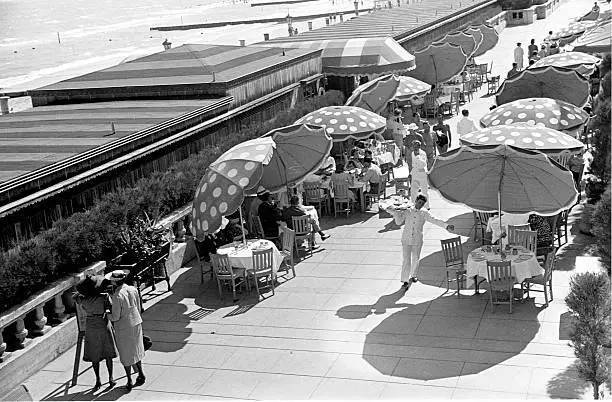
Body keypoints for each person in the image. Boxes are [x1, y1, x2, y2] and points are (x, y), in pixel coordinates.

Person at [390, 194, 454, 286]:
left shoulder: (424, 213)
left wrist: (446, 226)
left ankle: (413, 275)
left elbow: (434, 220)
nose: (420, 205)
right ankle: (405, 280)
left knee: (416, 258)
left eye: (422, 204)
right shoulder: (407, 210)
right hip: (406, 239)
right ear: (416, 201)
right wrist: (396, 213)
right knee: (406, 259)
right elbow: (398, 222)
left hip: (417, 239)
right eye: (419, 202)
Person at [74, 275, 117, 390]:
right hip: (103, 324)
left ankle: (98, 379)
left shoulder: (83, 300)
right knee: (108, 353)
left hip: (90, 326)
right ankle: (111, 378)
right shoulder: (104, 297)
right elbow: (110, 308)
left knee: (94, 354)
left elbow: (76, 297)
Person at [106, 270, 145, 392]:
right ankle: (141, 373)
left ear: (114, 281)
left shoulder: (118, 296)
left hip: (124, 326)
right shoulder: (133, 289)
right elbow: (139, 306)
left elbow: (116, 316)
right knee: (137, 349)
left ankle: (129, 379)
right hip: (136, 321)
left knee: (126, 353)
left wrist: (108, 315)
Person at [408, 141, 430, 209]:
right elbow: (413, 164)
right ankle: (413, 205)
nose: (414, 148)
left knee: (424, 191)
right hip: (415, 174)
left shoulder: (422, 153)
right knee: (413, 190)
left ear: (419, 146)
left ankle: (426, 206)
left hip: (421, 174)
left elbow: (423, 164)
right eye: (413, 146)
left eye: (416, 146)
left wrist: (418, 157)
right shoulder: (412, 153)